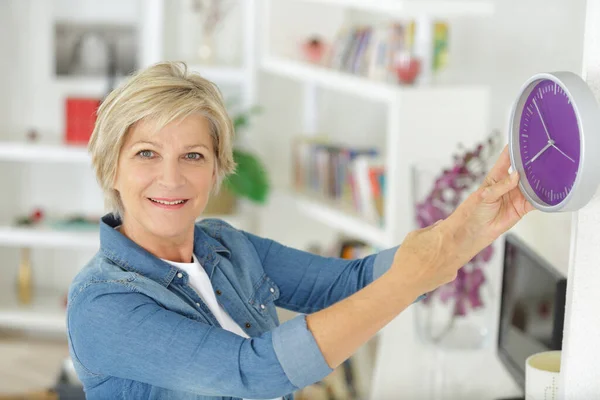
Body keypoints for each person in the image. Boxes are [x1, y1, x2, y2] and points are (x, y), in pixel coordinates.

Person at [67, 61, 534, 400]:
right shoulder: (102, 303)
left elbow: (351, 283)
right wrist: (411, 277)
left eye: (193, 155)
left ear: (215, 170)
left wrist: (468, 230)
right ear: (111, 168)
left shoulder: (226, 246)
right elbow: (255, 372)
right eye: (146, 153)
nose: (171, 178)